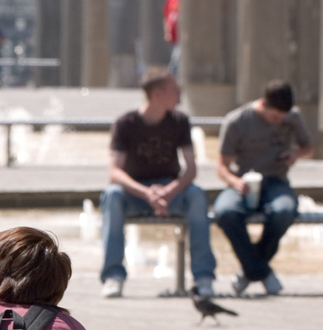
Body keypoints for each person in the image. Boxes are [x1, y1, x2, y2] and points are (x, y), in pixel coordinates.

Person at [99, 68, 216, 298]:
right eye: (174, 89)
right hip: (136, 192)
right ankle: (114, 275)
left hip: (170, 190)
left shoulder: (180, 121)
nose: (179, 94)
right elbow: (115, 173)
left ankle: (203, 277)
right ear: (158, 93)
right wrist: (146, 193)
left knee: (197, 195)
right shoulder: (126, 123)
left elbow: (191, 168)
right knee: (112, 195)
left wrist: (171, 190)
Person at [214, 80, 315, 297]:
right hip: (243, 181)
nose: (279, 121)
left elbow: (308, 148)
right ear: (263, 104)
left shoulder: (293, 117)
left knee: (284, 211)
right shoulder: (237, 121)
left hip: (276, 181)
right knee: (225, 212)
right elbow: (221, 166)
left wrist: (295, 154)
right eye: (274, 117)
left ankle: (250, 270)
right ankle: (261, 271)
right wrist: (234, 182)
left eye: (282, 118)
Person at [163, 0, 180, 75]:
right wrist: (167, 31)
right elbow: (166, 17)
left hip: (182, 37)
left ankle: (169, 78)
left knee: (175, 59)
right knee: (174, 58)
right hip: (173, 36)